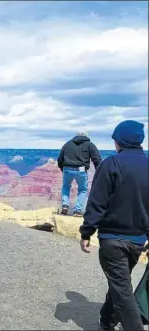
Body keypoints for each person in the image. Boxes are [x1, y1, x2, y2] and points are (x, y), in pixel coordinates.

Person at [79, 120, 148, 331]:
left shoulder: (111, 164)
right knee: (120, 282)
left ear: (119, 141)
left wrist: (86, 232)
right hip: (138, 240)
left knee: (122, 290)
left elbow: (97, 202)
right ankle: (107, 321)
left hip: (112, 239)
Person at [57, 132, 102, 216]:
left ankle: (65, 206)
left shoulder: (67, 144)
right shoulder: (90, 145)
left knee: (66, 187)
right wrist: (99, 172)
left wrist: (63, 169)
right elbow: (97, 159)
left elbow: (60, 159)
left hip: (67, 168)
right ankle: (77, 211)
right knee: (83, 190)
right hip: (81, 170)